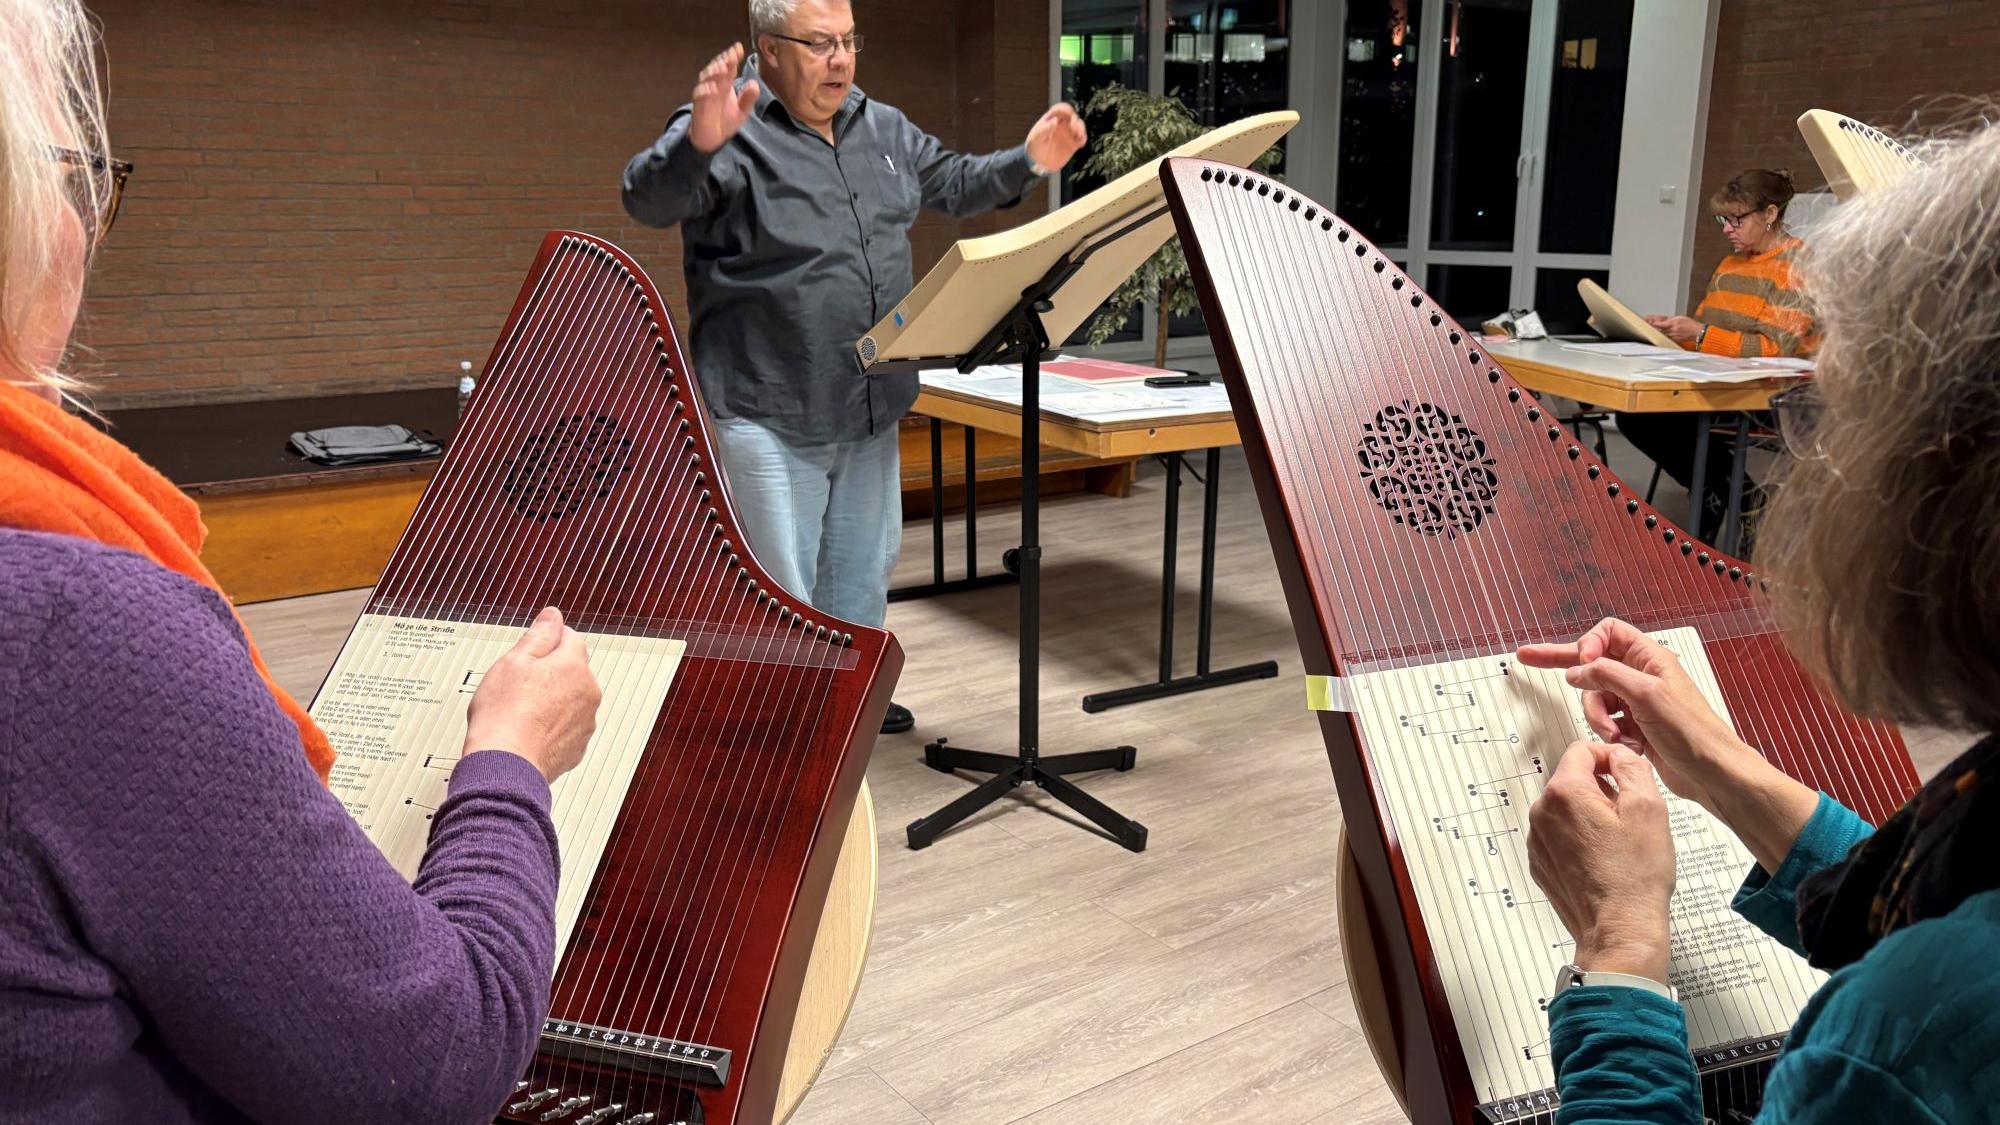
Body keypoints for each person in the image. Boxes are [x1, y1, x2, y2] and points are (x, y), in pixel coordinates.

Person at [0, 2, 603, 1120]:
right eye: (73, 176)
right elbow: (432, 1063)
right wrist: (511, 758)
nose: (87, 226)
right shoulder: (75, 631)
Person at [1521, 122, 2000, 1123]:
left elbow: (1940, 980)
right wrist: (1716, 764)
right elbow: (1933, 901)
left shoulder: (1903, 1047)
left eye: (1837, 421)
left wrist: (1618, 950)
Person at [621, 0, 1089, 735]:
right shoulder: (726, 128)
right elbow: (646, 197)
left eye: (848, 42)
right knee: (782, 591)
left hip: (870, 404)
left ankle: (849, 709)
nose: (840, 60)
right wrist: (697, 147)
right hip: (770, 409)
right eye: (819, 45)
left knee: (860, 577)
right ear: (768, 49)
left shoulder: (885, 127)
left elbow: (959, 183)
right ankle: (785, 734)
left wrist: (1030, 161)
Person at [1618, 169, 1817, 546]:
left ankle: (1729, 496)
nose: (1727, 229)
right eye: (1723, 219)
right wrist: (1674, 331)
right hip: (1725, 381)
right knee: (1636, 414)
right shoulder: (1731, 265)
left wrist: (1701, 335)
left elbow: (1775, 350)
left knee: (1666, 418)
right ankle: (1732, 494)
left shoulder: (1799, 265)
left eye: (1737, 219)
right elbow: (1708, 335)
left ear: (1770, 214)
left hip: (1775, 394)